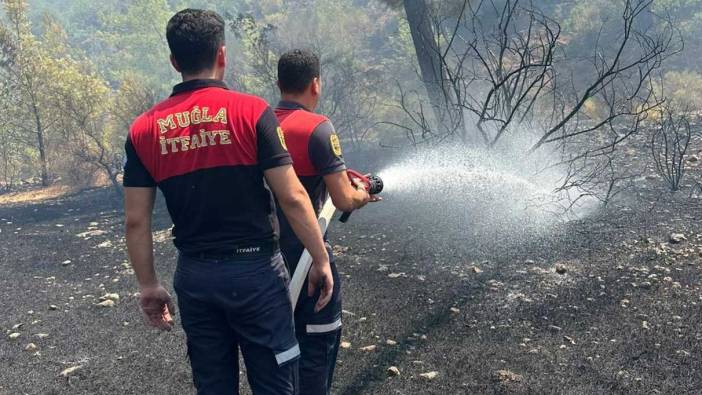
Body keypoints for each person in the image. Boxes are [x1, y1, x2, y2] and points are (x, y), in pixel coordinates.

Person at [123, 10, 334, 395]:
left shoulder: (143, 130)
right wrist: (319, 259)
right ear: (223, 54)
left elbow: (136, 221)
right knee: (276, 383)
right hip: (256, 273)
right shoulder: (252, 112)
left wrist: (149, 285)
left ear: (174, 61)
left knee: (213, 385)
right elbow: (291, 195)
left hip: (195, 277)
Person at [274, 49, 379, 395]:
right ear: (315, 84)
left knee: (277, 359)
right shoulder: (317, 129)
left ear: (279, 83)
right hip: (308, 260)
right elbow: (342, 199)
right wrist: (364, 192)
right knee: (316, 354)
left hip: (266, 264)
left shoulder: (261, 124)